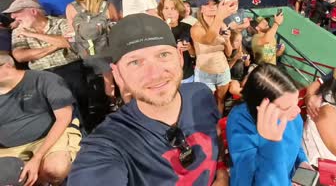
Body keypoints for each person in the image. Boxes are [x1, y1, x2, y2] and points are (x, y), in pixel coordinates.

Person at [68, 14, 229, 185]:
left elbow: (215, 133)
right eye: (136, 62)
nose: (155, 74)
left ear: (180, 58)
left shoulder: (200, 94)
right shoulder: (107, 146)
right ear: (117, 74)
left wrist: (220, 170)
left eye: (163, 55)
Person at [0, 54, 81, 186]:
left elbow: (64, 117)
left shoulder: (44, 79)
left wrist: (37, 157)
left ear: (8, 66)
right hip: (6, 148)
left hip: (47, 138)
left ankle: (41, 180)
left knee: (56, 168)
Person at [227, 63, 311, 186]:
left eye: (297, 101)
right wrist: (271, 143)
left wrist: (301, 162)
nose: (298, 111)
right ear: (263, 108)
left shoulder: (292, 115)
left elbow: (296, 145)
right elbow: (248, 180)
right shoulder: (241, 122)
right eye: (287, 107)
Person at [190, 0, 237, 113]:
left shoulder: (222, 25)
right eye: (207, 4)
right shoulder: (196, 28)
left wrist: (227, 41)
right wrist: (219, 18)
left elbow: (229, 52)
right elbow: (208, 40)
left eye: (214, 4)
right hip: (205, 73)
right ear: (201, 9)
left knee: (220, 101)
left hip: (223, 71)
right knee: (205, 103)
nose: (211, 7)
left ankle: (218, 126)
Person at [157, 0, 196, 83]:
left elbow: (194, 55)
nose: (169, 12)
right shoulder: (157, 30)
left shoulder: (188, 28)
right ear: (161, 11)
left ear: (179, 11)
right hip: (167, 78)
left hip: (186, 76)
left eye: (173, 8)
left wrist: (190, 48)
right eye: (166, 8)